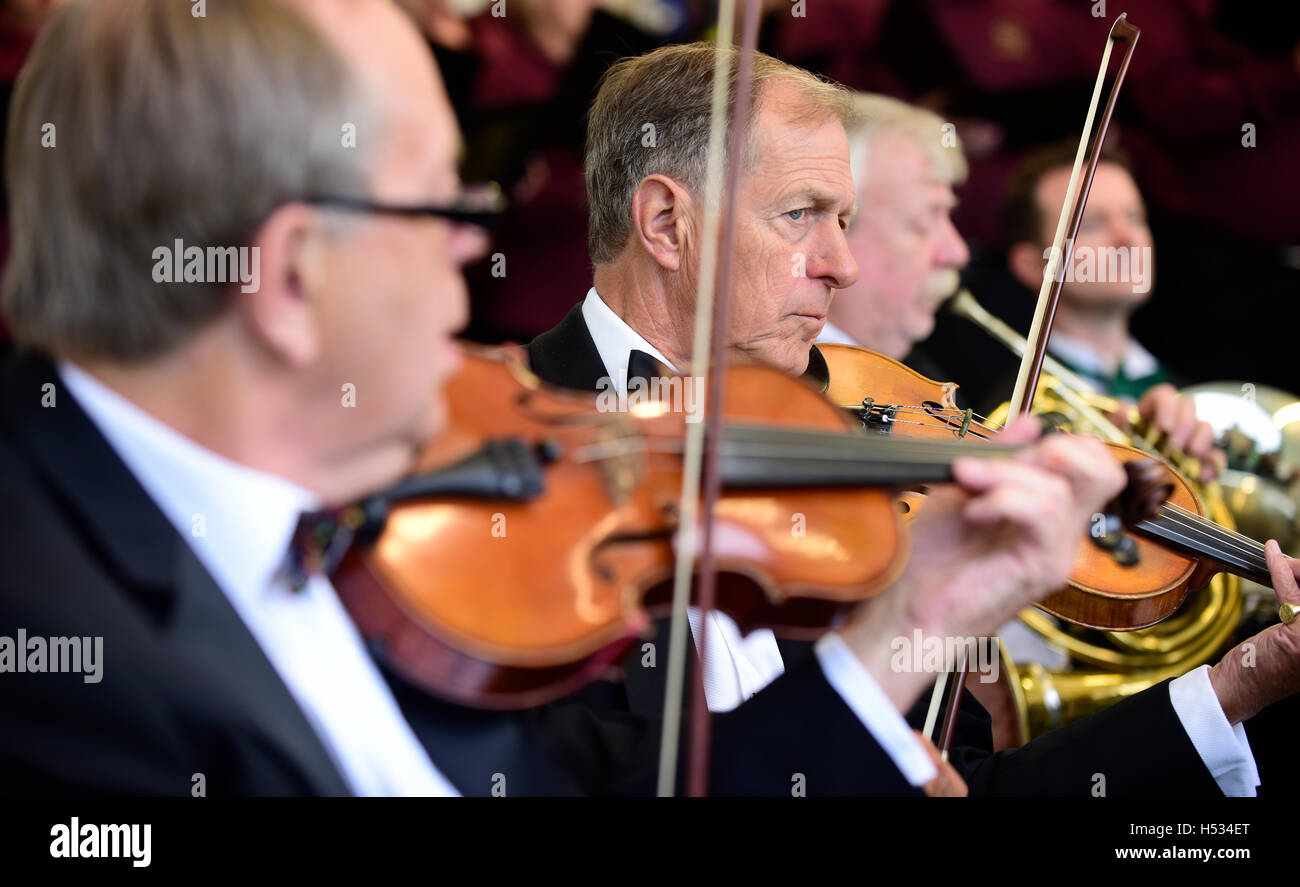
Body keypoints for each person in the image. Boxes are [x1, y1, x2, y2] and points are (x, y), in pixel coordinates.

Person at [0, 0, 1128, 797]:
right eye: (445, 212)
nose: (469, 264)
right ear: (293, 277)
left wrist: (918, 621)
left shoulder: (346, 527)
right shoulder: (59, 673)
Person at [527, 45, 1300, 795]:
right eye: (803, 215)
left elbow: (966, 783)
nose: (844, 264)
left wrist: (1234, 687)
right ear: (666, 223)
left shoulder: (863, 477)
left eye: (847, 220)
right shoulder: (508, 456)